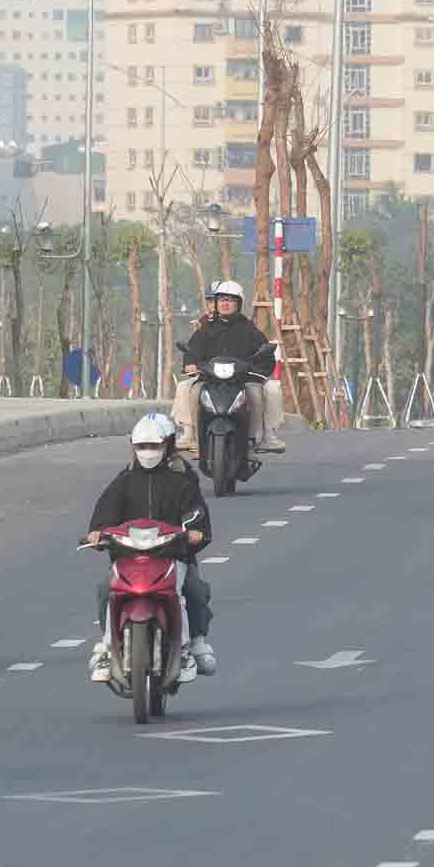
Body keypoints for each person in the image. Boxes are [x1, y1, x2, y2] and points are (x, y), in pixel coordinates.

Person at [86, 412, 217, 681]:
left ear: (167, 445)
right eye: (142, 446)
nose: (148, 452)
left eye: (154, 446)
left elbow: (196, 515)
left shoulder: (182, 481)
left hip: (172, 556)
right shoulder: (124, 481)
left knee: (191, 589)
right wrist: (97, 533)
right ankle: (107, 648)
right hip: (127, 557)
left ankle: (188, 647)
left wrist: (194, 533)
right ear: (132, 446)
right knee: (104, 590)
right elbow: (104, 514)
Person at [171, 279, 286, 455]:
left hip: (243, 380)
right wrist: (190, 364)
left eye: (230, 300)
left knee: (265, 390)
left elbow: (266, 356)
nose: (225, 303)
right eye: (221, 299)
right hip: (210, 379)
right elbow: (191, 351)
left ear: (238, 303)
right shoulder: (205, 329)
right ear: (216, 303)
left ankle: (263, 437)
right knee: (189, 389)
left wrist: (257, 370)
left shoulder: (250, 330)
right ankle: (191, 435)